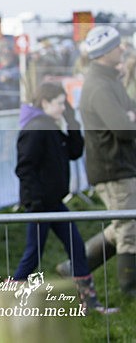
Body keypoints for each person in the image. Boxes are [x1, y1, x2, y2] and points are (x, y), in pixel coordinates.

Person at [13, 82, 115, 314]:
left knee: (77, 248)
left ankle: (89, 303)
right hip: (41, 205)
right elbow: (24, 168)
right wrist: (36, 202)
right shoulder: (36, 128)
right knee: (32, 255)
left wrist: (71, 120)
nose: (63, 107)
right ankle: (10, 297)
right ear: (45, 103)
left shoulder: (50, 125)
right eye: (60, 103)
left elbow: (74, 151)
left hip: (54, 203)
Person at [77, 25, 136, 298]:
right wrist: (128, 118)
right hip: (112, 167)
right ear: (104, 53)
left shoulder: (109, 80)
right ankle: (130, 290)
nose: (122, 49)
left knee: (125, 223)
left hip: (121, 164)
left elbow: (130, 112)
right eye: (116, 46)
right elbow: (123, 128)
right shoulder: (99, 86)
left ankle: (75, 265)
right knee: (128, 229)